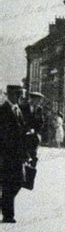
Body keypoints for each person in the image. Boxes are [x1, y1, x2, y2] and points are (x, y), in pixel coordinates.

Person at [0, 85, 31, 223]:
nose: (19, 97)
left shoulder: (17, 109)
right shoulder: (3, 110)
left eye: (20, 94)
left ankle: (4, 204)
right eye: (17, 94)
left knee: (18, 182)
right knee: (8, 183)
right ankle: (8, 215)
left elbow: (21, 131)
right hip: (7, 153)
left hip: (17, 153)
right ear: (10, 95)